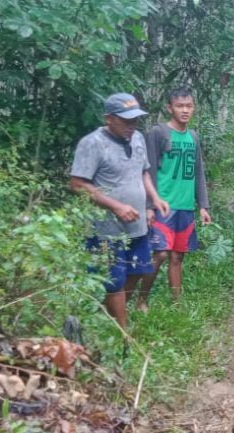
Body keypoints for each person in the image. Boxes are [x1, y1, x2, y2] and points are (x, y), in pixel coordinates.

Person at [70, 92, 170, 328]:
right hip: (106, 229)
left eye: (135, 120)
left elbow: (143, 171)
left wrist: (154, 199)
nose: (132, 125)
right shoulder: (93, 143)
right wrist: (115, 206)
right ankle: (122, 333)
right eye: (126, 120)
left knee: (138, 269)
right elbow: (77, 184)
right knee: (113, 279)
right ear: (109, 119)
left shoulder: (137, 139)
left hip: (136, 226)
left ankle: (112, 314)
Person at [135, 87, 211, 311]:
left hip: (185, 206)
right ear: (170, 108)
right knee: (159, 254)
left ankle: (177, 304)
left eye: (189, 106)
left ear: (194, 108)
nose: (185, 110)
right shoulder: (158, 133)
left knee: (178, 257)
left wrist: (203, 205)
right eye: (180, 106)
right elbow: (147, 170)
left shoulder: (193, 136)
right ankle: (142, 300)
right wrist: (150, 206)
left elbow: (198, 171)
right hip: (164, 206)